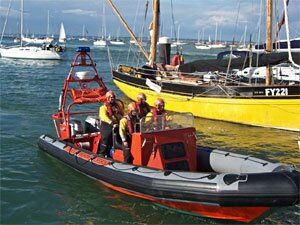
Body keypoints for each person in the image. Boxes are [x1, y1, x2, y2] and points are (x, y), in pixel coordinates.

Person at [98, 90, 123, 157]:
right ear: (107, 98)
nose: (113, 98)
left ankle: (114, 152)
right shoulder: (103, 108)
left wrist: (123, 119)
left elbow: (120, 114)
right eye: (111, 97)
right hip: (107, 126)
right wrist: (112, 123)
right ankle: (102, 153)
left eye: (113, 97)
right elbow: (104, 117)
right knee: (106, 137)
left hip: (116, 125)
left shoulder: (116, 106)